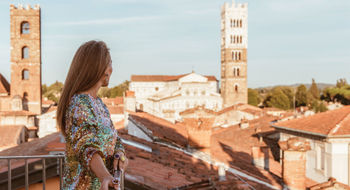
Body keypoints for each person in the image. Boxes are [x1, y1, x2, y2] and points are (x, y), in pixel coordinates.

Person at [56, 40, 128, 190]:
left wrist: (119, 154)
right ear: (100, 68)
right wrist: (105, 176)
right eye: (109, 63)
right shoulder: (79, 103)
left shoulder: (99, 104)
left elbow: (114, 139)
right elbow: (86, 145)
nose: (112, 69)